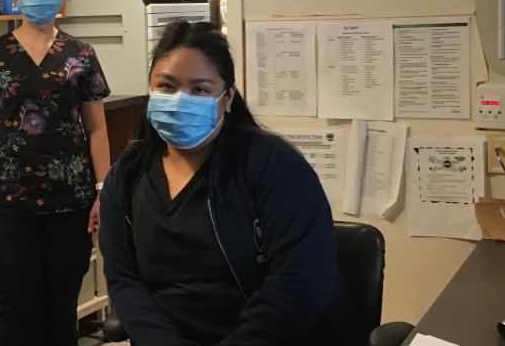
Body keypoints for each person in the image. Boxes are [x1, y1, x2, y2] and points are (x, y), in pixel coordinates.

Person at [99, 21, 367, 345]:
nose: (180, 100)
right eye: (167, 86)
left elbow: (301, 282)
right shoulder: (126, 177)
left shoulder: (272, 165)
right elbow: (125, 282)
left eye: (199, 89)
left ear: (227, 98)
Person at [0, 0, 111, 346]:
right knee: (18, 308)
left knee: (61, 307)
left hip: (71, 199)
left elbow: (96, 128)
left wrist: (103, 192)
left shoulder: (81, 54)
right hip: (9, 200)